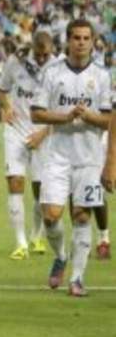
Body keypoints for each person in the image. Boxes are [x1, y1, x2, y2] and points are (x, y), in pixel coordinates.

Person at [31, 19, 111, 297]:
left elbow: (109, 120)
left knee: (81, 216)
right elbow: (36, 113)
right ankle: (61, 256)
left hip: (89, 159)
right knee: (51, 216)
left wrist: (89, 116)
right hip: (57, 157)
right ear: (67, 40)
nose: (81, 42)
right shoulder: (52, 73)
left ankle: (77, 279)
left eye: (86, 38)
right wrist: (65, 117)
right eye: (76, 37)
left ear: (92, 41)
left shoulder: (101, 75)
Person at [0, 32, 58, 259]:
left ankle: (36, 235)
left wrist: (44, 132)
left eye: (45, 55)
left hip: (43, 132)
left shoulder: (58, 67)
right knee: (16, 182)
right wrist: (6, 106)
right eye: (38, 55)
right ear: (32, 49)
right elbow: (0, 89)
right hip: (16, 130)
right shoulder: (15, 62)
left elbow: (61, 109)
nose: (41, 59)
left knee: (41, 189)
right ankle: (20, 243)